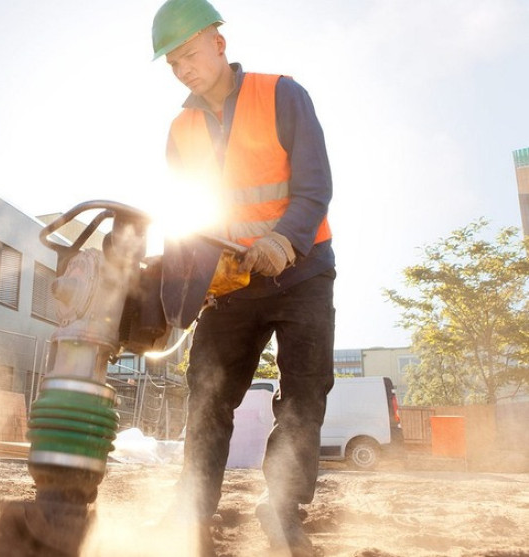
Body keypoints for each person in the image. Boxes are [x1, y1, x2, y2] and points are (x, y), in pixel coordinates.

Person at [151, 1, 336, 556]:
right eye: (172, 62)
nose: (183, 67)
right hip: (230, 285)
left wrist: (284, 240)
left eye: (189, 52)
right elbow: (184, 214)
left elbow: (314, 185)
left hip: (303, 271)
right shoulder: (180, 129)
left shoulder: (281, 93)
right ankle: (191, 513)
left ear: (219, 44)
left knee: (305, 391)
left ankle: (282, 512)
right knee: (207, 394)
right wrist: (187, 282)